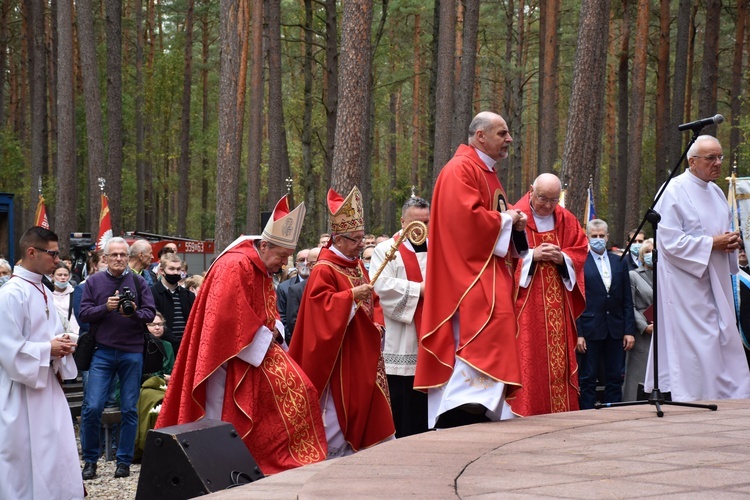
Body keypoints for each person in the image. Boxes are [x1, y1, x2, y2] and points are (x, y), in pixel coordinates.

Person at [156, 196, 327, 475]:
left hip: (252, 351)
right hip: (224, 360)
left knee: (302, 389)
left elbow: (269, 311)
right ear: (264, 244)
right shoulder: (235, 265)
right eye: (282, 257)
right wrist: (264, 335)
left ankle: (256, 461)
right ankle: (218, 467)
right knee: (221, 420)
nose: (283, 265)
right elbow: (225, 319)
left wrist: (274, 331)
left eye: (287, 258)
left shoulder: (260, 265)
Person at [414, 111, 528, 429]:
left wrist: (512, 224)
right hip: (465, 275)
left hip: (483, 270)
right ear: (480, 136)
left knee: (498, 322)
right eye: (502, 133)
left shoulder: (487, 172)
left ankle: (481, 405)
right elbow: (466, 222)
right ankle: (460, 406)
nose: (509, 139)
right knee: (487, 326)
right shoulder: (460, 169)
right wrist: (510, 220)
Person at [290, 186, 395, 457]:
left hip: (364, 349)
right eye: (356, 239)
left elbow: (374, 300)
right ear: (338, 238)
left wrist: (378, 323)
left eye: (362, 238)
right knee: (339, 413)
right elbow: (319, 311)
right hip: (339, 357)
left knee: (368, 405)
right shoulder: (324, 269)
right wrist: (349, 297)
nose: (362, 244)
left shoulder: (357, 265)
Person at [645, 135, 750, 401]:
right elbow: (669, 242)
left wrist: (730, 241)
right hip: (685, 282)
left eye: (720, 157)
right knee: (698, 340)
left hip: (716, 279)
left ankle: (725, 394)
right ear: (692, 161)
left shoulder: (715, 192)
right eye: (711, 158)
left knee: (721, 334)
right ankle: (694, 395)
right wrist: (713, 243)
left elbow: (718, 233)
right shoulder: (672, 190)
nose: (718, 163)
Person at [0, 226, 83, 499]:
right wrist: (49, 349)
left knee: (56, 454)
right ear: (32, 252)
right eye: (53, 253)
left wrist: (62, 344)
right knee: (22, 459)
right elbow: (7, 348)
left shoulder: (42, 289)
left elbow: (46, 336)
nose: (57, 260)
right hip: (21, 391)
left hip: (46, 385)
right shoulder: (11, 294)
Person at [79, 237, 157, 480]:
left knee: (129, 408)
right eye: (114, 255)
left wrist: (131, 312)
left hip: (131, 352)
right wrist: (106, 307)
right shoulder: (93, 282)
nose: (119, 259)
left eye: (123, 255)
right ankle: (90, 461)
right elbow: (84, 313)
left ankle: (123, 461)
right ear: (105, 257)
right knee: (92, 407)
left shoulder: (138, 281)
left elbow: (150, 313)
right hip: (102, 352)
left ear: (128, 257)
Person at [511, 173, 588, 416]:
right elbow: (500, 258)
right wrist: (531, 256)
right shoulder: (515, 216)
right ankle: (526, 411)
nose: (547, 205)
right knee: (529, 361)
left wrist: (562, 258)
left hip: (558, 306)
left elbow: (579, 250)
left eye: (554, 200)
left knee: (559, 363)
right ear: (531, 190)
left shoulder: (566, 219)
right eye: (543, 198)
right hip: (525, 306)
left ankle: (561, 413)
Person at [371, 196, 430, 437]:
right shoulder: (386, 250)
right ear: (402, 220)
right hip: (402, 336)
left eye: (426, 222)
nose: (421, 229)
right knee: (403, 397)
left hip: (432, 332)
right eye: (415, 223)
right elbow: (380, 286)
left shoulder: (440, 246)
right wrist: (420, 290)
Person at [576, 219, 636, 409]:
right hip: (590, 328)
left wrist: (629, 330)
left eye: (602, 236)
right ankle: (586, 413)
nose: (598, 240)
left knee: (615, 376)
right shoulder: (580, 263)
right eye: (594, 236)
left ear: (608, 237)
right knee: (588, 377)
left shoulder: (619, 261)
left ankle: (613, 414)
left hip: (616, 328)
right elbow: (576, 299)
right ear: (587, 238)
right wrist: (579, 334)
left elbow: (627, 298)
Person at [623, 239, 654, 401]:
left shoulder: (666, 275)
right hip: (643, 333)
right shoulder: (633, 275)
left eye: (654, 251)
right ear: (642, 256)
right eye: (647, 252)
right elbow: (630, 305)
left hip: (662, 332)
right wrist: (644, 326)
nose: (651, 255)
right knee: (638, 376)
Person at [150, 252, 195, 355]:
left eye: (178, 269)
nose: (175, 272)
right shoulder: (152, 293)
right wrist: (177, 344)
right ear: (162, 270)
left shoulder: (188, 295)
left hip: (187, 348)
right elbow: (156, 321)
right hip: (163, 348)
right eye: (171, 269)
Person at [285, 247, 320, 344]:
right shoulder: (295, 289)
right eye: (317, 263)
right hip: (307, 342)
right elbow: (293, 323)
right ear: (310, 265)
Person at [276, 248, 309, 332]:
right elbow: (282, 318)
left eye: (309, 260)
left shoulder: (322, 284)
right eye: (302, 260)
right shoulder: (284, 288)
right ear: (296, 265)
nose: (305, 263)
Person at [52, 262, 81, 336]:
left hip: (74, 333)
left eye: (65, 275)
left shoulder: (75, 293)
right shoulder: (48, 295)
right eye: (59, 275)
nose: (63, 277)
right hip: (55, 334)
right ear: (52, 276)